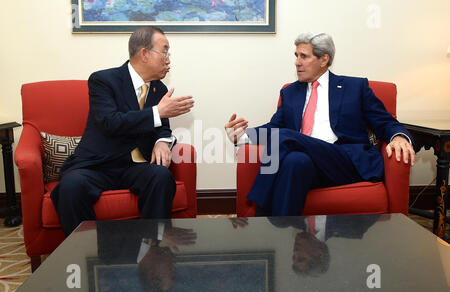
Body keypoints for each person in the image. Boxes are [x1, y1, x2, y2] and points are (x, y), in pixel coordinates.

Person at [225, 32, 415, 216]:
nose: (297, 62)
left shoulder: (355, 87)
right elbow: (273, 128)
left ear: (324, 59)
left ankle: (259, 209)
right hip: (310, 164)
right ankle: (282, 239)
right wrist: (241, 136)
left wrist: (398, 136)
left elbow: (385, 121)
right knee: (295, 162)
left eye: (304, 56)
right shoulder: (290, 93)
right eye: (296, 56)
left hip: (345, 161)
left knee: (283, 137)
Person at [51, 26, 194, 235]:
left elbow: (162, 127)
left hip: (136, 167)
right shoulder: (103, 81)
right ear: (144, 53)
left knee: (161, 177)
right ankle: (84, 253)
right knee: (70, 188)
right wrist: (158, 112)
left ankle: (152, 249)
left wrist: (162, 141)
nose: (168, 59)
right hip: (97, 165)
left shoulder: (159, 89)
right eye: (164, 52)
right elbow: (110, 122)